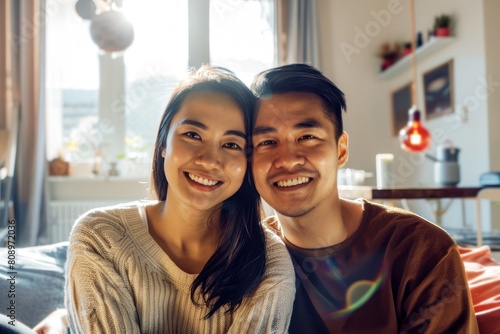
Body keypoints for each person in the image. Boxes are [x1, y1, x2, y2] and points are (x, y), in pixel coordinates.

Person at [249, 63, 479, 333]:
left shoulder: (420, 250)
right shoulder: (248, 258)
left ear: (341, 150)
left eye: (307, 137)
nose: (287, 160)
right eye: (267, 142)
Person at [63, 65, 295, 333]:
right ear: (163, 143)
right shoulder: (100, 237)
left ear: (247, 160)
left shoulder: (268, 262)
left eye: (231, 144)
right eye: (193, 135)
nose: (209, 160)